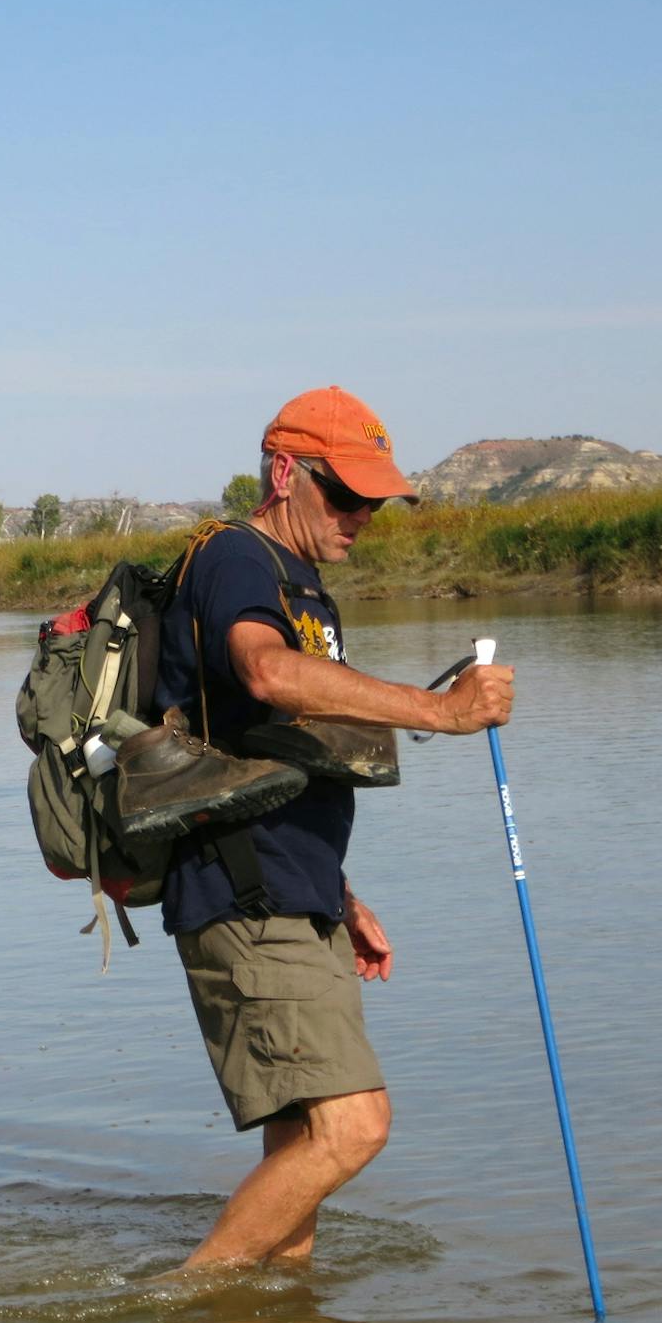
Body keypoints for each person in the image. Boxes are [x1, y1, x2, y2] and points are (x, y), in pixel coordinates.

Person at [154, 385, 514, 1270]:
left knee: (301, 1166)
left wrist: (339, 893)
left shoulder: (303, 584)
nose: (362, 516)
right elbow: (268, 675)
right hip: (245, 895)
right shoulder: (239, 559)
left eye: (374, 501)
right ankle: (187, 1300)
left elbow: (267, 753)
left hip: (289, 889)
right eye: (345, 493)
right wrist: (442, 712)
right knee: (354, 1129)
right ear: (285, 471)